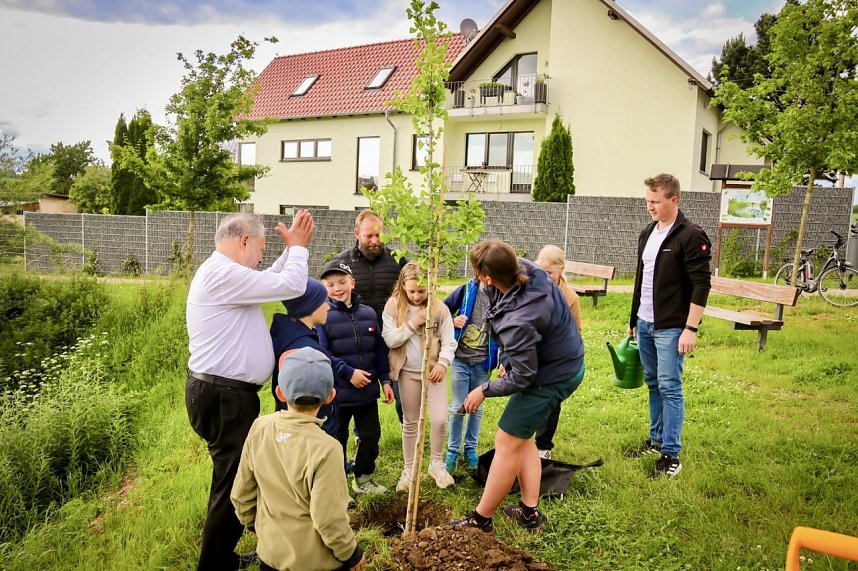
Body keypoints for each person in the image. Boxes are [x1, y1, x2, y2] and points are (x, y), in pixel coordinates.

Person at [185, 211, 314, 570]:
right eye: (259, 248)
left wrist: (291, 251)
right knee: (229, 488)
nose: (260, 258)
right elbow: (290, 286)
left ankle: (221, 557)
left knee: (227, 481)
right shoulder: (222, 274)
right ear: (244, 241)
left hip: (222, 393)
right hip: (225, 397)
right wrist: (299, 249)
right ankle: (213, 565)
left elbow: (269, 279)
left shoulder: (223, 273)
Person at [448, 239, 585, 535]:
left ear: (486, 277)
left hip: (552, 376)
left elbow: (524, 377)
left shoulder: (519, 319)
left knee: (507, 441)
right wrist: (507, 356)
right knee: (522, 440)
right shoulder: (530, 270)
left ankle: (481, 519)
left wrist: (483, 390)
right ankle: (528, 513)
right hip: (564, 362)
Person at [231, 347, 366, 571]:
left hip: (270, 556)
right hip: (317, 563)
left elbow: (241, 493)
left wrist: (253, 523)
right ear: (330, 396)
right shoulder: (328, 449)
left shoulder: (260, 427)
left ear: (280, 393)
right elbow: (328, 519)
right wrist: (350, 554)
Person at [625, 173, 711, 478]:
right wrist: (633, 318)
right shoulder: (648, 232)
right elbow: (641, 279)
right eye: (647, 200)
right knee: (653, 382)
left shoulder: (691, 235)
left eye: (655, 201)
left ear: (674, 200)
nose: (650, 206)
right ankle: (656, 439)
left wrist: (691, 328)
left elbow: (701, 284)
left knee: (670, 386)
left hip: (673, 326)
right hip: (646, 323)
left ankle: (671, 454)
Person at [317, 260, 395, 495]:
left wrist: (386, 380)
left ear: (352, 282)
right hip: (337, 394)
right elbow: (322, 353)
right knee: (335, 441)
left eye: (342, 282)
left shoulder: (369, 313)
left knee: (371, 436)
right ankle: (338, 489)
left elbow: (379, 350)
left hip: (367, 393)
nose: (337, 288)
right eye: (330, 284)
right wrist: (348, 373)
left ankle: (363, 478)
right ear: (324, 288)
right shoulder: (324, 315)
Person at [382, 262, 457, 491]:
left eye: (421, 291)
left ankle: (435, 463)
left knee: (440, 419)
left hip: (433, 374)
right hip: (407, 372)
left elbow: (449, 342)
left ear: (430, 287)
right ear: (402, 285)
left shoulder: (440, 309)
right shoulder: (393, 307)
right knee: (410, 421)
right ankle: (409, 468)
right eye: (411, 290)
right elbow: (391, 339)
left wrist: (443, 364)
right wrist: (414, 323)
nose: (416, 296)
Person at [334, 209, 407, 423]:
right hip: (358, 341)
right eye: (369, 236)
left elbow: (414, 290)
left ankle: (408, 428)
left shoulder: (397, 260)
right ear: (357, 234)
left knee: (401, 390)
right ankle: (360, 434)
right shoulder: (343, 264)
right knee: (360, 391)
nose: (375, 241)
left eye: (378, 235)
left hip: (395, 338)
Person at [442, 274, 498, 474]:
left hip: (484, 362)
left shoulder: (502, 295)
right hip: (460, 359)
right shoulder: (466, 290)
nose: (489, 279)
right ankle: (452, 451)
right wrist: (452, 319)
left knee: (476, 407)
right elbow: (442, 309)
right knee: (458, 405)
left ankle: (470, 449)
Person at [533, 244, 583, 460]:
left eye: (549, 273)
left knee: (551, 402)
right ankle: (523, 441)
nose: (544, 277)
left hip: (557, 359)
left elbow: (577, 332)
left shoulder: (571, 298)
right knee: (529, 397)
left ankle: (543, 445)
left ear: (561, 269)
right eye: (541, 272)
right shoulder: (532, 289)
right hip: (533, 354)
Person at [269, 278, 338, 436]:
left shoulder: (288, 333)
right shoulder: (302, 351)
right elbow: (307, 402)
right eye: (324, 302)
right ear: (310, 307)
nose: (328, 307)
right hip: (310, 433)